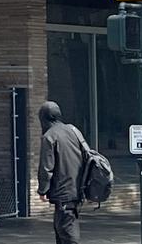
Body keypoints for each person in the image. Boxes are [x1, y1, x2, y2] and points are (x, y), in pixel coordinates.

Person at [37, 101, 87, 244]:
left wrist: (42, 190)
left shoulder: (49, 136)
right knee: (62, 229)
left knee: (66, 231)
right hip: (78, 187)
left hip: (63, 191)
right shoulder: (73, 130)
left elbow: (46, 167)